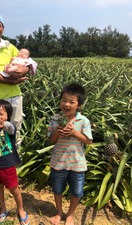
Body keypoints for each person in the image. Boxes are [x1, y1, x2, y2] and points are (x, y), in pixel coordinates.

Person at [0, 13, 37, 142]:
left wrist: (21, 71)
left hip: (15, 96)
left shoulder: (10, 47)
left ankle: (15, 159)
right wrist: (13, 81)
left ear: (3, 28)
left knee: (16, 129)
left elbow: (28, 63)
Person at [47, 83, 92, 225]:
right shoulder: (55, 119)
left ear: (79, 105)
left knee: (77, 192)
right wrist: (56, 133)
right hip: (58, 162)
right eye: (63, 100)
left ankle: (70, 215)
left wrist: (74, 133)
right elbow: (51, 141)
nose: (66, 104)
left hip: (77, 163)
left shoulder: (83, 120)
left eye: (71, 102)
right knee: (57, 189)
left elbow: (88, 141)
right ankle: (59, 212)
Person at [0, 99, 30, 225]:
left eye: (1, 114)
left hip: (7, 165)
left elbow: (11, 128)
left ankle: (21, 209)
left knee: (14, 189)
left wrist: (4, 125)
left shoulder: (9, 128)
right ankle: (3, 209)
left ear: (8, 116)